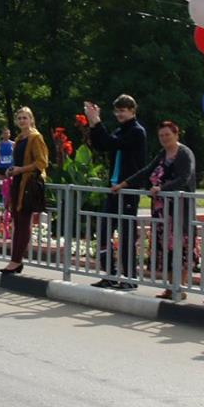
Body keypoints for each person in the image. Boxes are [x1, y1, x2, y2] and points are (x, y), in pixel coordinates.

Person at [116, 119, 198, 300]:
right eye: (161, 135)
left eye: (168, 134)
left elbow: (184, 177)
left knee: (180, 246)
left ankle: (180, 287)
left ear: (176, 134)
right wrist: (124, 183)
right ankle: (170, 287)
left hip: (179, 209)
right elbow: (146, 170)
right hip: (162, 210)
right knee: (165, 247)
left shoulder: (184, 153)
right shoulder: (163, 154)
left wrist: (163, 189)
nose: (164, 138)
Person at [85, 95, 148, 289]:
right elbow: (102, 144)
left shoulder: (137, 132)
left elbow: (114, 144)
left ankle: (129, 278)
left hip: (128, 189)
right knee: (104, 232)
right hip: (113, 188)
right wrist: (94, 125)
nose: (120, 114)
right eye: (117, 110)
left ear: (132, 111)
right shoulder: (120, 131)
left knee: (126, 233)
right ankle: (110, 274)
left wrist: (97, 122)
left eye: (123, 110)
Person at [0, 107, 51, 275]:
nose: (22, 121)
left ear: (31, 119)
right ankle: (15, 261)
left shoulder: (35, 138)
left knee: (23, 222)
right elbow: (18, 161)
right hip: (18, 182)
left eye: (25, 118)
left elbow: (42, 162)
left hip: (28, 185)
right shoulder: (20, 138)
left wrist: (21, 170)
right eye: (19, 118)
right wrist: (12, 170)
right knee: (17, 222)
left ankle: (15, 261)